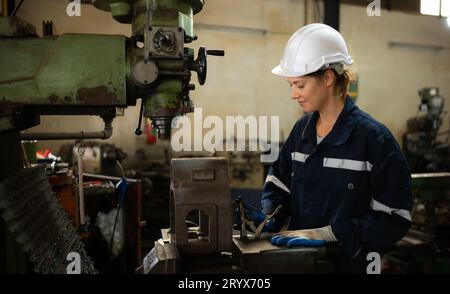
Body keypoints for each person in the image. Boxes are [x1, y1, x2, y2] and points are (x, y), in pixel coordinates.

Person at [236, 23, 412, 273]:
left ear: (328, 78)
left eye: (300, 84)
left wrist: (331, 234)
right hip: (299, 263)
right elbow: (278, 183)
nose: (293, 94)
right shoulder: (301, 132)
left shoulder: (374, 139)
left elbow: (395, 217)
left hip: (348, 267)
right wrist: (269, 215)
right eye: (291, 85)